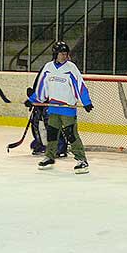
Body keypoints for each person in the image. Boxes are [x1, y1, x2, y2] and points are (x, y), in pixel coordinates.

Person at [27, 41, 93, 174]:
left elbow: (80, 85)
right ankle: (49, 157)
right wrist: (33, 100)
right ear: (55, 54)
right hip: (53, 108)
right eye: (62, 53)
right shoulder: (48, 68)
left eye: (66, 53)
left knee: (71, 134)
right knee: (52, 134)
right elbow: (42, 87)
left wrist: (86, 101)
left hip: (67, 108)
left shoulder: (71, 68)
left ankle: (82, 160)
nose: (64, 56)